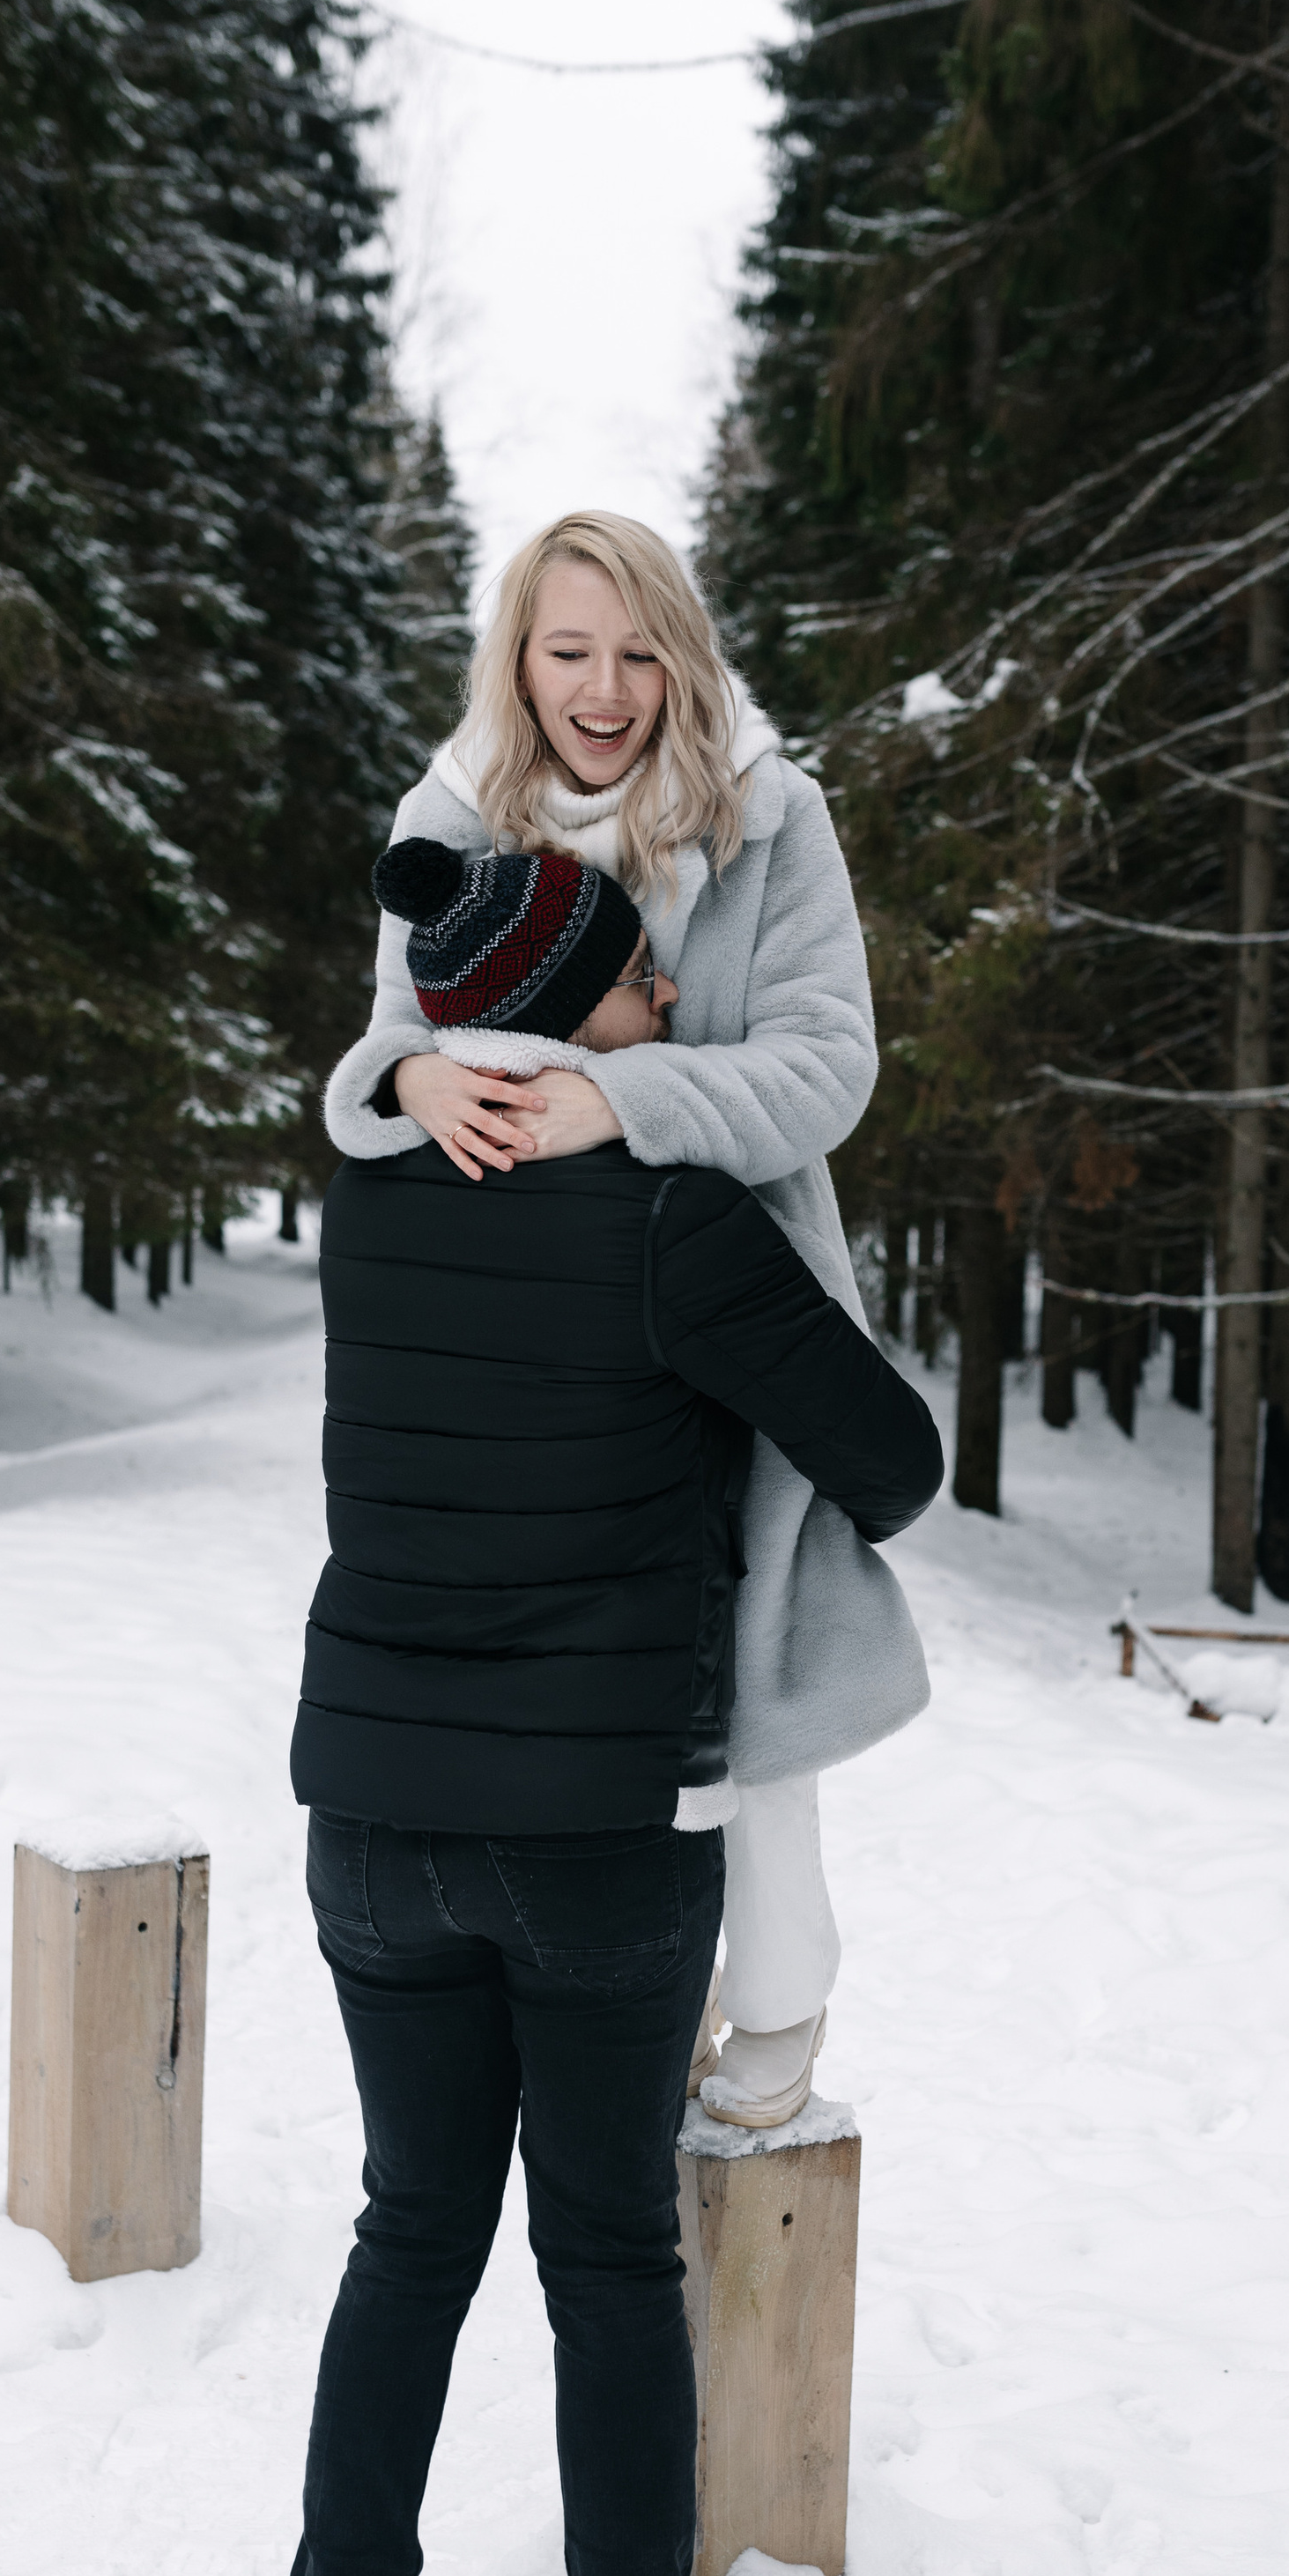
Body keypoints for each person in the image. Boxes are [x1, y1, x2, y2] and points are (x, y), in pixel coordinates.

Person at [270, 840, 942, 2576]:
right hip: (597, 1838)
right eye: (642, 990)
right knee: (607, 2265)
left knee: (406, 2240)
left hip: (373, 1821)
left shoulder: (365, 1202)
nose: (669, 1013)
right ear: (570, 1015)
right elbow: (895, 1464)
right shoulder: (677, 1223)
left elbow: (392, 1107)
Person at [323, 511, 914, 2133]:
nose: (606, 687)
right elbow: (384, 1051)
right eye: (570, 650)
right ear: (517, 659)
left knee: (751, 1640)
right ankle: (609, 2007)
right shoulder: (450, 815)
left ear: (687, 655)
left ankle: (780, 1993)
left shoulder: (770, 822)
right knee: (582, 1673)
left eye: (641, 651)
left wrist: (618, 1099)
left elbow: (825, 1066)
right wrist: (416, 1072)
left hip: (728, 1280)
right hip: (529, 1332)